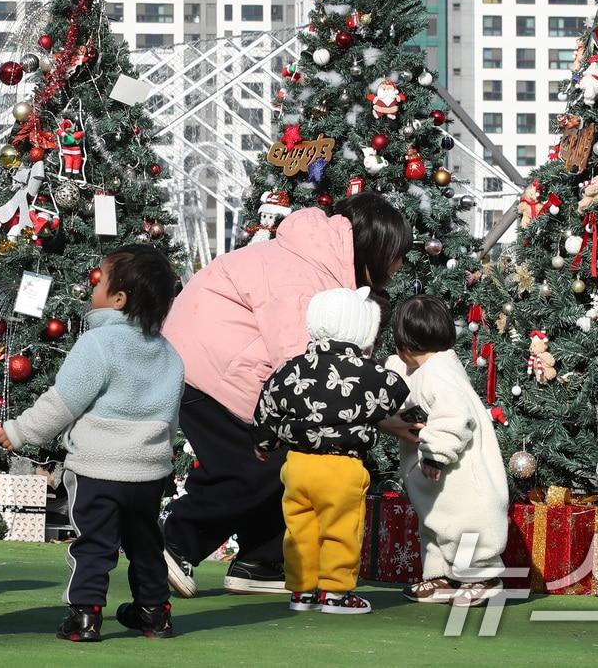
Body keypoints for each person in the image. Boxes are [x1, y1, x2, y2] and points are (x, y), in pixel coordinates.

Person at [159, 191, 416, 597]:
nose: (399, 266)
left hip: (210, 361)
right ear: (376, 247)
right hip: (210, 369)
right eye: (397, 254)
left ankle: (261, 559)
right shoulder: (304, 275)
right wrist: (380, 417)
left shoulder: (316, 262)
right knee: (255, 464)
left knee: (292, 457)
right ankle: (174, 541)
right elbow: (310, 371)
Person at [0, 244, 184, 643]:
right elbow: (170, 416)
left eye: (100, 280)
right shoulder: (169, 353)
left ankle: (85, 614)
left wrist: (19, 432)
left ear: (118, 299)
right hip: (148, 473)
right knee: (146, 544)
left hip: (98, 468)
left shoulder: (97, 345)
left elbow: (61, 404)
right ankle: (154, 613)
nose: (91, 286)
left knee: (94, 543)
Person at [251, 287, 408, 615]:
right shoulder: (367, 373)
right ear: (362, 328)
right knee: (341, 528)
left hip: (298, 465)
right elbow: (397, 390)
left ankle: (302, 591)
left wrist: (265, 443)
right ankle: (335, 593)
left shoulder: (291, 368)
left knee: (300, 529)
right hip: (342, 466)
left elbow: (266, 408)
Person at [384, 296, 508, 606]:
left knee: (467, 520)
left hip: (460, 473)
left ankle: (481, 576)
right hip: (438, 480)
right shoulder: (429, 366)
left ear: (405, 344)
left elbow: (454, 415)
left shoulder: (439, 371)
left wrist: (435, 453)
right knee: (439, 523)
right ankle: (441, 575)